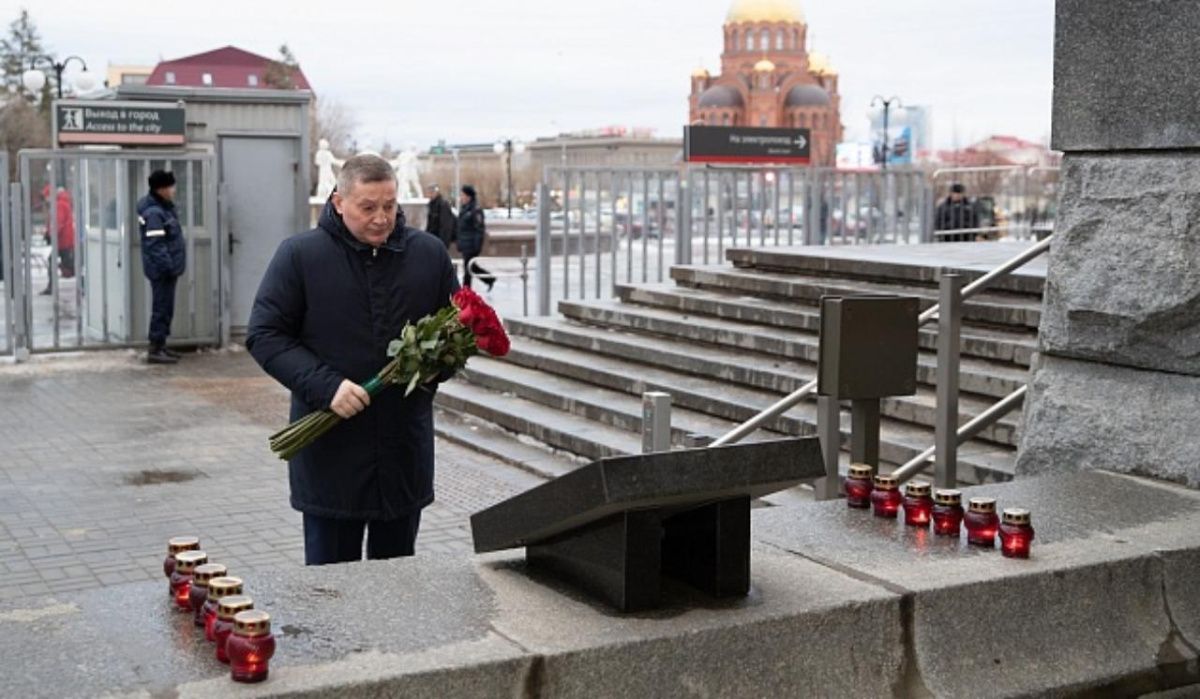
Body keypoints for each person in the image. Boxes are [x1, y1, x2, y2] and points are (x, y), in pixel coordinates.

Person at [246, 154, 459, 566]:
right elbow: (265, 334)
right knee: (332, 590)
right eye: (368, 207)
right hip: (331, 454)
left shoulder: (428, 255)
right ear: (339, 201)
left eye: (390, 205)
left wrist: (435, 366)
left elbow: (454, 333)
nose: (381, 218)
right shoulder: (300, 256)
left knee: (396, 584)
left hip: (402, 453)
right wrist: (328, 387)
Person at [137, 171, 186, 364]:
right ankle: (156, 348)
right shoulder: (155, 213)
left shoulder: (162, 208)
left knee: (166, 308)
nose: (173, 190)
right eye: (171, 186)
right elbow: (155, 245)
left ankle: (161, 344)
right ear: (162, 189)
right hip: (162, 271)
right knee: (161, 308)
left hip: (166, 269)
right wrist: (169, 267)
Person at [456, 185, 494, 291]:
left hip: (471, 245)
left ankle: (465, 292)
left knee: (468, 270)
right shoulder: (464, 209)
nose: (461, 197)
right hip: (465, 244)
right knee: (472, 268)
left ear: (469, 197)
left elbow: (479, 229)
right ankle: (489, 279)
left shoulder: (475, 210)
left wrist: (476, 246)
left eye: (462, 195)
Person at [39, 185, 76, 295]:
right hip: (63, 240)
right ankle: (52, 285)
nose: (46, 200)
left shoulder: (59, 205)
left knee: (68, 265)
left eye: (46, 197)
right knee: (62, 262)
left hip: (62, 241)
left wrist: (50, 235)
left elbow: (57, 223)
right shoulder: (62, 203)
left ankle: (52, 286)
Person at [424, 184, 456, 249]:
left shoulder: (443, 205)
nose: (430, 195)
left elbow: (446, 226)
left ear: (437, 192)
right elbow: (429, 224)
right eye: (429, 193)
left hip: (440, 240)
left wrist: (443, 243)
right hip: (432, 239)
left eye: (432, 192)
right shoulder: (431, 205)